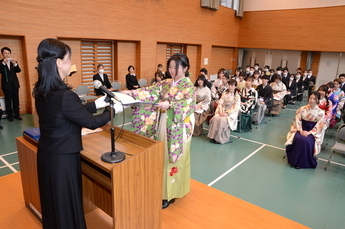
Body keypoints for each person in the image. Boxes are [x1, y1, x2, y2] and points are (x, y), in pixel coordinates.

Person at [33, 38, 112, 229]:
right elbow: (91, 122)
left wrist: (97, 104)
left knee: (54, 207)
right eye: (69, 60)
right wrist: (113, 110)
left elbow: (70, 111)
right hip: (63, 161)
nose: (71, 64)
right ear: (59, 63)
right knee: (66, 207)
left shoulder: (42, 90)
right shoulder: (64, 95)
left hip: (47, 156)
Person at [123, 53, 195, 209]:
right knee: (161, 157)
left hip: (178, 127)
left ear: (185, 68)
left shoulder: (188, 86)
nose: (172, 70)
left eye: (176, 67)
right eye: (170, 67)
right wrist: (131, 93)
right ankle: (161, 189)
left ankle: (171, 194)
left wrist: (170, 105)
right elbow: (151, 91)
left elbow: (188, 105)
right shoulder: (167, 82)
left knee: (173, 160)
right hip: (163, 122)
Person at [285, 92, 326, 169]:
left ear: (317, 100)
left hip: (312, 131)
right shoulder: (302, 109)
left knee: (306, 141)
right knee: (297, 138)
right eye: (310, 98)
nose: (312, 100)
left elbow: (320, 125)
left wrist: (310, 132)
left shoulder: (321, 112)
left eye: (314, 99)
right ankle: (293, 161)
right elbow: (297, 120)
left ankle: (303, 163)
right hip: (301, 128)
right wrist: (300, 130)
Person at [207, 79, 240, 144]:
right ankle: (213, 137)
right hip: (222, 111)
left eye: (232, 85)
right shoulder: (224, 93)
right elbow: (220, 103)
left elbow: (236, 107)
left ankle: (220, 139)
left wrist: (227, 113)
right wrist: (221, 112)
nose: (230, 87)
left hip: (230, 113)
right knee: (215, 119)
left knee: (222, 121)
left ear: (235, 86)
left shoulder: (237, 96)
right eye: (229, 85)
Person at [0, 47, 22, 121]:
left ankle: (17, 115)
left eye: (8, 53)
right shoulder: (1, 62)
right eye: (5, 53)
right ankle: (10, 116)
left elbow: (18, 70)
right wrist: (3, 63)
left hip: (15, 84)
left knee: (16, 100)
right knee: (8, 101)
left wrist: (15, 64)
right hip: (6, 85)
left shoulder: (13, 62)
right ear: (2, 54)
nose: (7, 55)